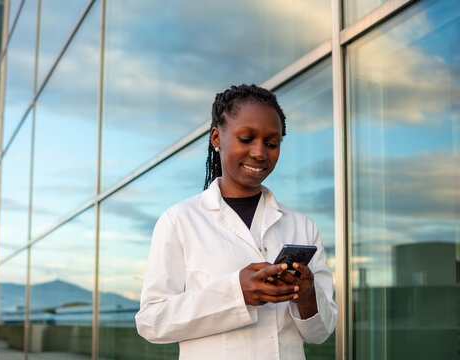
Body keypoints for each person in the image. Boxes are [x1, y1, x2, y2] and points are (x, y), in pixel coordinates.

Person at [135, 84, 337, 360]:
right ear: (217, 138)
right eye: (246, 138)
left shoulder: (303, 227)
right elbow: (151, 322)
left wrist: (306, 296)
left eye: (272, 143)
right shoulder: (179, 220)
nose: (259, 153)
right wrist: (236, 293)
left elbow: (320, 333)